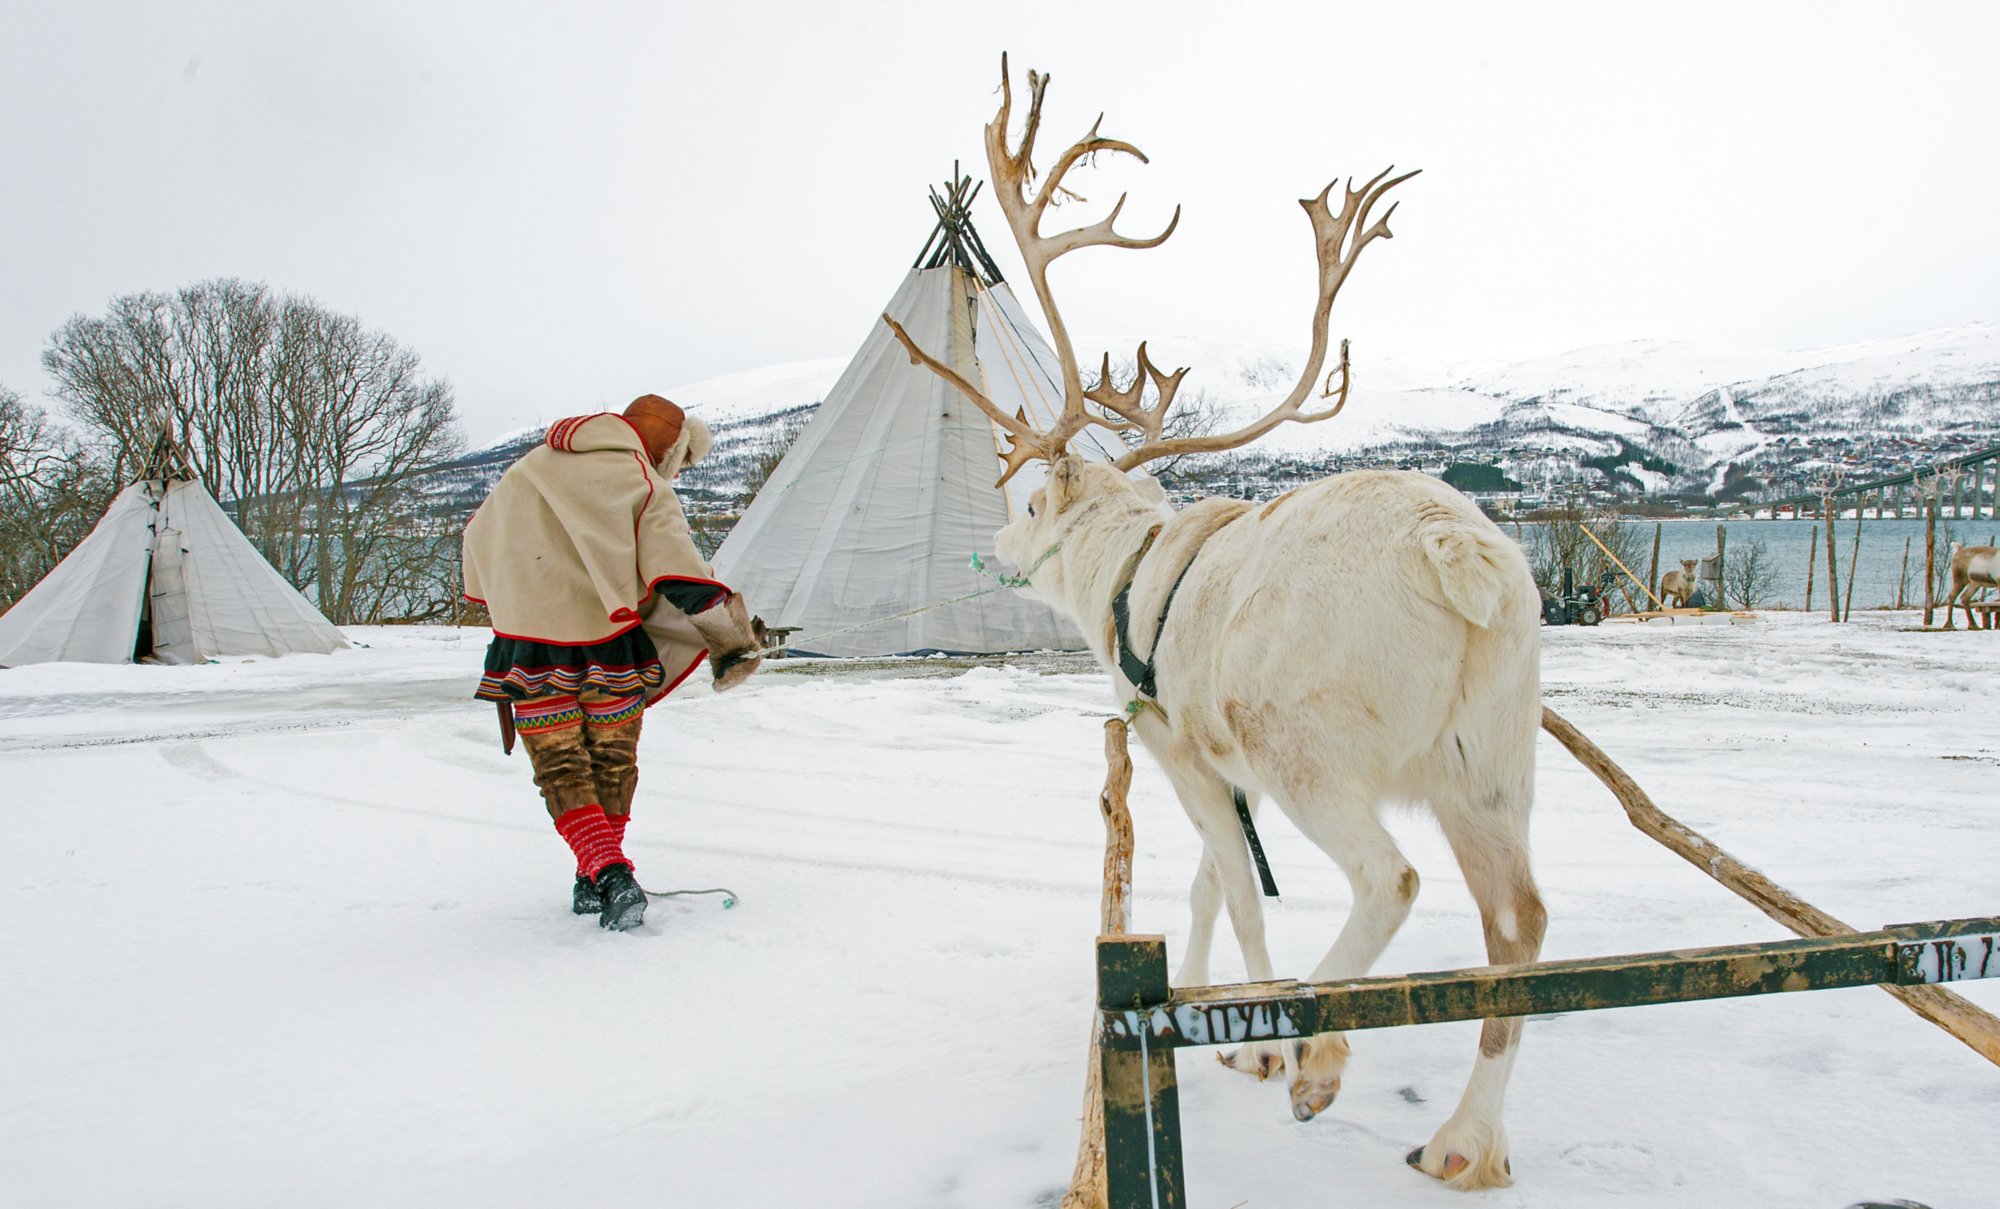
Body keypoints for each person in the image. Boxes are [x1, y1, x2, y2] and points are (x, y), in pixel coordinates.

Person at [462, 394, 764, 931]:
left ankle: (593, 875)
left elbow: (477, 540)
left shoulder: (527, 469)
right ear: (669, 450)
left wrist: (523, 595)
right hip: (610, 655)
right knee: (613, 763)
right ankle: (610, 871)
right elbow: (679, 575)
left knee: (560, 768)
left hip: (530, 653)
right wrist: (732, 641)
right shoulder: (641, 483)